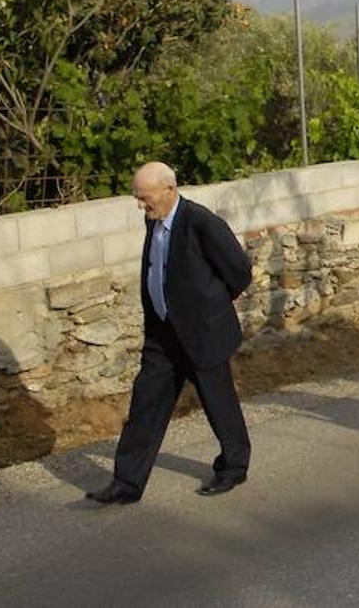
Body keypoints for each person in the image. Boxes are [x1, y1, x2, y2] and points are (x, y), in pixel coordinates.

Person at [86, 162, 253, 505]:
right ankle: (127, 483)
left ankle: (233, 466)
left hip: (202, 332)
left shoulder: (201, 222)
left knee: (218, 402)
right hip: (163, 335)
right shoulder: (155, 222)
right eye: (138, 198)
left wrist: (211, 307)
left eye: (144, 198)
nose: (140, 205)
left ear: (169, 191)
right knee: (145, 403)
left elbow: (239, 270)